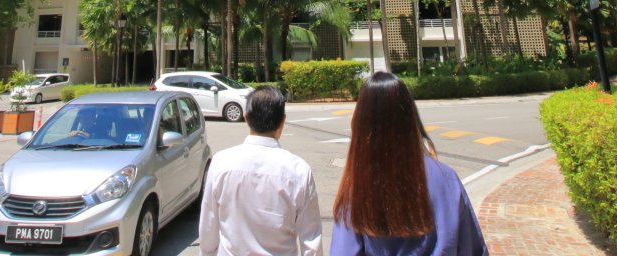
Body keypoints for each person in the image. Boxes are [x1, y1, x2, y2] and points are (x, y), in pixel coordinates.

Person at [330, 72, 487, 256]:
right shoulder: (446, 178)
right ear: (411, 117)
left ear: (360, 124)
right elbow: (474, 249)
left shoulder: (356, 188)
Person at [199, 85, 322, 256]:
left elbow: (208, 231)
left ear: (246, 117)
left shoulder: (221, 162)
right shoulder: (299, 170)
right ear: (282, 121)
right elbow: (311, 242)